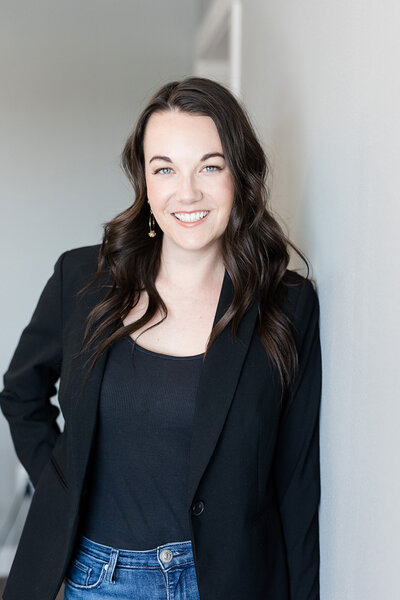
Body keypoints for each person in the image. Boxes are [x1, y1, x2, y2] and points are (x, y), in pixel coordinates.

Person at [0, 76, 322, 600]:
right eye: (165, 168)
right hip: (97, 579)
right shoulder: (81, 279)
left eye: (210, 166)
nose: (187, 191)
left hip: (227, 583)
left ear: (239, 174)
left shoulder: (287, 303)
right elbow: (21, 395)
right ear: (145, 182)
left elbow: (297, 480)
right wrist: (64, 488)